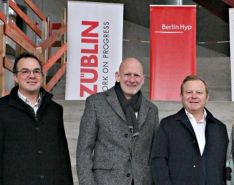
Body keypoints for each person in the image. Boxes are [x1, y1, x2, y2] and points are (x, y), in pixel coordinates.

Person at [76, 58, 159, 185]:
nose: (132, 80)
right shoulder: (96, 103)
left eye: (136, 75)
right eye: (127, 74)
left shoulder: (152, 110)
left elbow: (154, 153)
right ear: (118, 76)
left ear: (142, 80)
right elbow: (84, 151)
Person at [0, 52, 73, 185]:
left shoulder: (55, 110)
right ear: (15, 77)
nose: (32, 76)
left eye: (36, 71)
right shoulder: (2, 108)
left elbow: (62, 155)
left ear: (42, 76)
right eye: (25, 71)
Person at [151, 75, 228, 185]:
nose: (194, 96)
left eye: (199, 92)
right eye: (189, 92)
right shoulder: (167, 125)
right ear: (181, 96)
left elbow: (226, 165)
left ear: (207, 97)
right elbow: (158, 162)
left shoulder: (220, 128)